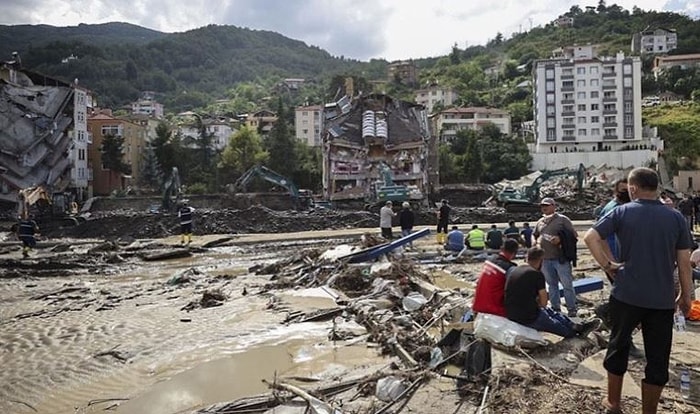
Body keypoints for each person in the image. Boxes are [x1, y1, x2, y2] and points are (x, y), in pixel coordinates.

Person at [583, 167, 693, 414]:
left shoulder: (621, 212)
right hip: (662, 299)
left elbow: (590, 237)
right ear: (656, 188)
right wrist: (686, 295)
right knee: (657, 358)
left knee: (618, 346)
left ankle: (613, 403)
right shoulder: (675, 217)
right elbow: (684, 263)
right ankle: (649, 411)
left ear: (632, 188)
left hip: (626, 294)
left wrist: (608, 265)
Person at [504, 247, 602, 338]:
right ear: (541, 260)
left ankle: (576, 326)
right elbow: (544, 302)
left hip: (511, 313)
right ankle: (574, 332)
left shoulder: (513, 270)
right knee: (556, 324)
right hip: (528, 318)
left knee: (551, 312)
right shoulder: (536, 274)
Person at [534, 197, 578, 316]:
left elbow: (574, 236)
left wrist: (561, 239)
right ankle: (555, 309)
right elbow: (535, 235)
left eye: (547, 205)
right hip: (545, 260)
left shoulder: (563, 220)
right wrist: (536, 243)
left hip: (560, 258)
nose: (544, 207)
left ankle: (572, 309)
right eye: (543, 205)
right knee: (552, 285)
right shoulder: (540, 222)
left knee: (567, 285)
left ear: (554, 206)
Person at [472, 239, 519, 317]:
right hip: (493, 310)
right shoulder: (509, 268)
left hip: (477, 306)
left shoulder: (489, 260)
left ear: (501, 248)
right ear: (515, 253)